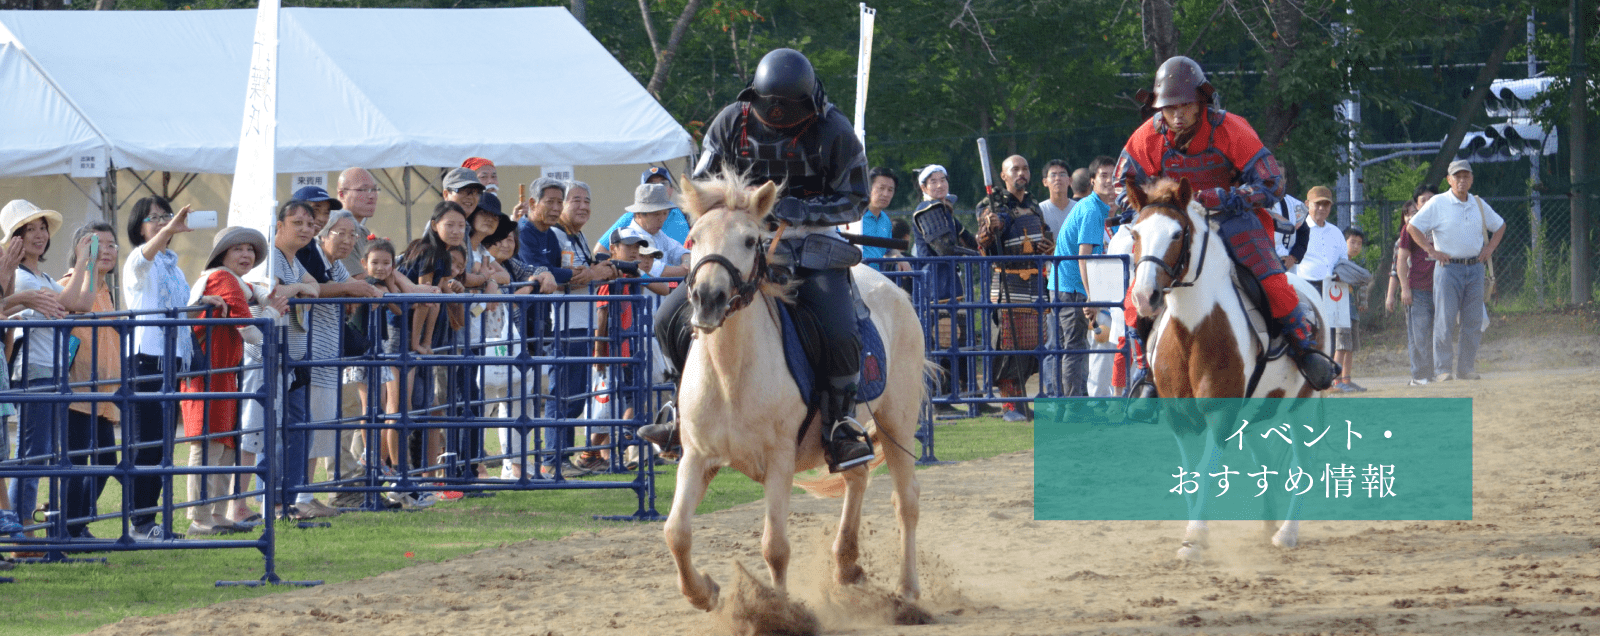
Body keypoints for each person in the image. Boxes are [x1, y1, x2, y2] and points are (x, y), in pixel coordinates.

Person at [639, 48, 876, 472]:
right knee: (666, 319)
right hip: (736, 243)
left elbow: (855, 199)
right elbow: (705, 185)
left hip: (810, 245)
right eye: (772, 109)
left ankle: (840, 427)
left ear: (807, 104)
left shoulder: (834, 130)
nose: (779, 117)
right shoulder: (732, 121)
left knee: (840, 332)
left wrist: (802, 211)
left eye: (788, 111)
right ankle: (679, 411)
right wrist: (742, 211)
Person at [1112, 56, 1337, 397]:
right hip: (1175, 220)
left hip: (1231, 219)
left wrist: (1224, 196)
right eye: (1168, 107)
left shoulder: (1231, 128)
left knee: (1269, 276)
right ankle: (1145, 371)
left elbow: (1271, 183)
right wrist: (1151, 201)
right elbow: (1122, 185)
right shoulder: (1148, 136)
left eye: (1185, 105)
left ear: (1201, 101)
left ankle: (1305, 351)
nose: (1176, 114)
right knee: (1139, 290)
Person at [122, 196, 226, 540]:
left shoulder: (173, 266)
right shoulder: (139, 260)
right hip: (145, 358)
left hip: (171, 362)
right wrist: (169, 226)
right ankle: (140, 522)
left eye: (164, 216)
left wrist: (199, 305)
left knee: (162, 445)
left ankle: (148, 521)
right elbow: (144, 258)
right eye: (153, 218)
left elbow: (178, 311)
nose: (162, 223)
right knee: (146, 445)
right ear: (140, 226)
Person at [182, 227, 283, 534]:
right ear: (223, 253)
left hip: (222, 373)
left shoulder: (231, 280)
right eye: (238, 248)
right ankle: (200, 517)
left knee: (225, 446)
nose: (246, 254)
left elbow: (253, 293)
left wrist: (265, 300)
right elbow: (249, 328)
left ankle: (215, 513)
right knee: (209, 446)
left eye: (250, 250)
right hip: (209, 374)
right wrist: (272, 316)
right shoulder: (222, 278)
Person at [5, 201, 87, 542]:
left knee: (43, 456)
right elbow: (71, 303)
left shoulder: (43, 276)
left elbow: (77, 303)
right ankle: (21, 532)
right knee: (32, 457)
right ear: (15, 238)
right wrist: (84, 263)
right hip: (34, 371)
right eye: (30, 230)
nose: (39, 235)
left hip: (52, 369)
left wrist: (86, 264)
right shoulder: (18, 276)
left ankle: (31, 529)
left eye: (42, 228)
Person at [545, 180, 621, 475]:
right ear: (561, 205)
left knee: (574, 397)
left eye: (587, 201)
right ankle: (553, 461)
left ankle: (563, 457)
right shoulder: (556, 235)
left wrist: (598, 272)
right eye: (575, 200)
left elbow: (581, 273)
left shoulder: (577, 236)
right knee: (562, 394)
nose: (583, 206)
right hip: (564, 324)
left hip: (582, 324)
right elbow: (564, 276)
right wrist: (595, 273)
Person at [1406, 160, 1504, 382]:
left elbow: (1499, 225)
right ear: (1449, 180)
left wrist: (1489, 248)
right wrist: (1431, 250)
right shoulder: (1439, 202)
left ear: (1471, 179)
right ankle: (1443, 369)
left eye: (1465, 176)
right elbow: (1413, 227)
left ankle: (1466, 368)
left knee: (1473, 320)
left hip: (1475, 268)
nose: (1461, 180)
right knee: (1445, 320)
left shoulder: (1478, 203)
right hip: (1448, 269)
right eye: (1457, 176)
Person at [57, 222, 123, 540]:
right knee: (78, 461)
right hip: (77, 389)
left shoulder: (105, 290)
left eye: (113, 245)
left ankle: (73, 520)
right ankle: (69, 526)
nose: (108, 251)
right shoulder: (71, 284)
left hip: (103, 393)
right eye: (100, 245)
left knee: (106, 460)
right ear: (83, 248)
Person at [978, 154, 1053, 422]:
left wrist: (1048, 245)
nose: (1021, 173)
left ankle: (1020, 400)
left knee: (1032, 346)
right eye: (1015, 169)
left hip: (1035, 283)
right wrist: (992, 226)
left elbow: (1045, 234)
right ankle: (1010, 404)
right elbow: (983, 240)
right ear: (1003, 175)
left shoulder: (1034, 204)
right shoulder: (990, 204)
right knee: (1008, 347)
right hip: (1007, 282)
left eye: (1025, 168)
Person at [1044, 155, 1116, 400]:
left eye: (1113, 176)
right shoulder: (1091, 210)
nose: (1109, 181)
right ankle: (1073, 406)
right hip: (1070, 286)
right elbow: (1082, 257)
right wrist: (1091, 296)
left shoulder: (1090, 207)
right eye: (1103, 176)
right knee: (1074, 348)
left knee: (1067, 348)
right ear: (1093, 181)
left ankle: (1064, 404)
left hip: (1063, 284)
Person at [909, 165, 979, 414]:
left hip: (950, 282)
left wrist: (985, 237)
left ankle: (971, 398)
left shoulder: (945, 210)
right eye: (933, 181)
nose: (940, 185)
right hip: (937, 284)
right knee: (941, 341)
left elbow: (970, 239)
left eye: (943, 180)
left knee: (960, 340)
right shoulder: (928, 210)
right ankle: (938, 401)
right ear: (924, 187)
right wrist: (975, 255)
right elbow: (945, 248)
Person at [1387, 185, 1439, 386]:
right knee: (1419, 335)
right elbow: (1399, 263)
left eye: (1431, 199)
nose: (1427, 202)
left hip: (1441, 288)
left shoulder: (1443, 222)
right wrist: (1404, 289)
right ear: (1417, 204)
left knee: (1439, 334)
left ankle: (1435, 373)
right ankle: (1419, 375)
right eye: (1423, 200)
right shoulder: (1410, 228)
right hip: (1418, 289)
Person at [602, 183, 691, 277]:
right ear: (639, 214)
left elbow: (681, 252)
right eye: (656, 214)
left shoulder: (658, 234)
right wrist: (687, 268)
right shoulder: (632, 238)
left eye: (665, 213)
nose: (662, 219)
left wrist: (686, 263)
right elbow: (659, 271)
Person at [593, 166, 692, 250]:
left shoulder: (685, 214)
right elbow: (601, 249)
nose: (658, 187)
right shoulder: (634, 216)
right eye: (651, 185)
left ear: (671, 189)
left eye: (663, 183)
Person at [1330, 227, 1372, 393]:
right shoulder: (1337, 263)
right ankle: (1336, 380)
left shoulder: (1354, 266)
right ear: (1343, 242)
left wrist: (1362, 301)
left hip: (1352, 309)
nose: (1355, 246)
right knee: (1341, 345)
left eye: (1359, 243)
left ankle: (1347, 379)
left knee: (1350, 346)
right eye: (1352, 242)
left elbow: (1361, 283)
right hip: (1340, 308)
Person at [1292, 186, 1347, 293]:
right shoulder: (1297, 229)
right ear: (1307, 204)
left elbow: (1343, 260)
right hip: (1305, 287)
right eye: (1318, 204)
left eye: (1326, 204)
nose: (1322, 208)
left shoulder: (1336, 232)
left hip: (1333, 288)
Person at [843, 167, 897, 271]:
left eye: (890, 190)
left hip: (879, 278)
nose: (886, 194)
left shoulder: (886, 220)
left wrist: (900, 258)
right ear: (868, 188)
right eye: (881, 188)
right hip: (855, 276)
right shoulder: (853, 217)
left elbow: (888, 250)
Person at [335, 167, 382, 274]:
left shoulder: (364, 232)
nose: (372, 196)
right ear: (342, 194)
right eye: (363, 190)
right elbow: (359, 280)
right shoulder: (336, 231)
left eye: (374, 190)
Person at [1037, 159, 1075, 237]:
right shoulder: (1039, 210)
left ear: (1070, 180)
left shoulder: (1079, 209)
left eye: (1062, 174)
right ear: (1045, 182)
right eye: (1053, 175)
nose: (1058, 178)